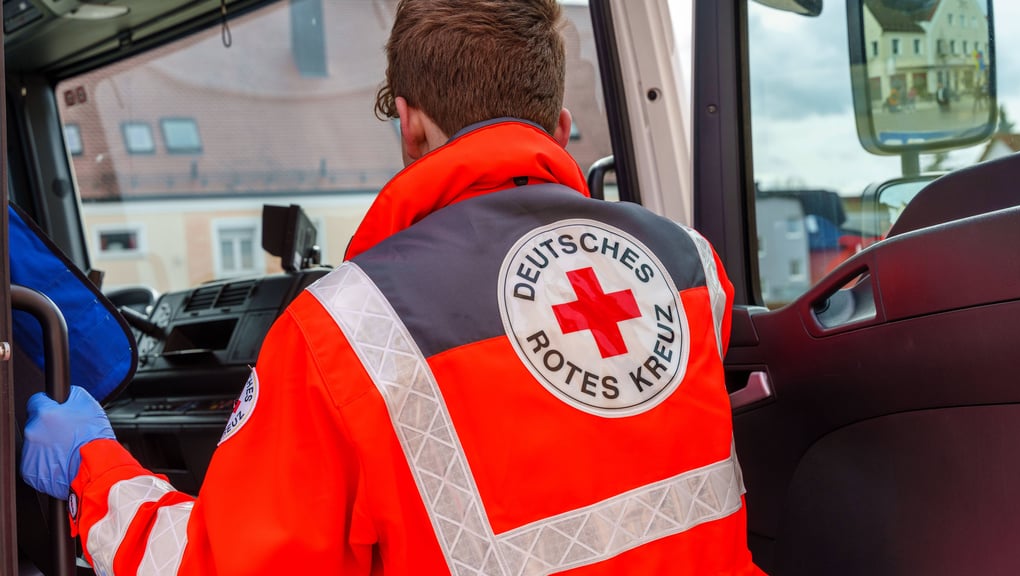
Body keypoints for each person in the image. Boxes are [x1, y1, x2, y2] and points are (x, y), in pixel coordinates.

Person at [20, 0, 765, 574]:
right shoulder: (690, 268)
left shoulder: (345, 331)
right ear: (561, 129)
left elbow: (214, 564)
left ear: (409, 126)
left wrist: (93, 462)